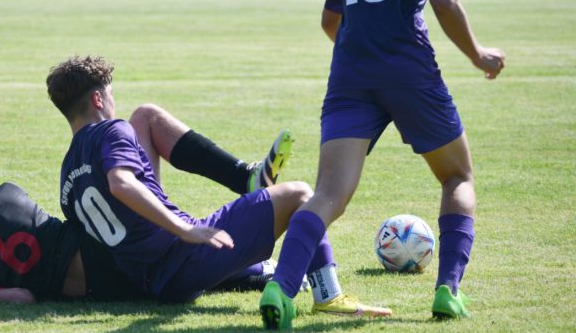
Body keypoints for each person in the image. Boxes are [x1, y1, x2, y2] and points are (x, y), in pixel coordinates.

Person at [259, 0, 506, 329]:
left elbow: (330, 20)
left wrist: (362, 49)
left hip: (350, 75)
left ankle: (281, 287)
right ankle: (448, 292)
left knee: (328, 194)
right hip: (410, 72)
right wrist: (478, 55)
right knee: (457, 177)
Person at [46, 54, 368, 313]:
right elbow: (121, 184)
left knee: (145, 116)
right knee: (300, 194)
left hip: (147, 278)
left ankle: (248, 182)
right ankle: (327, 294)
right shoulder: (112, 130)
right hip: (182, 258)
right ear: (98, 99)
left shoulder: (68, 175)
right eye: (111, 94)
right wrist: (185, 229)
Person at [0, 105, 295, 303]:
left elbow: (22, 298)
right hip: (120, 259)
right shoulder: (4, 196)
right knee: (145, 118)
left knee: (141, 123)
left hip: (98, 285)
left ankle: (249, 240)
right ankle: (244, 185)